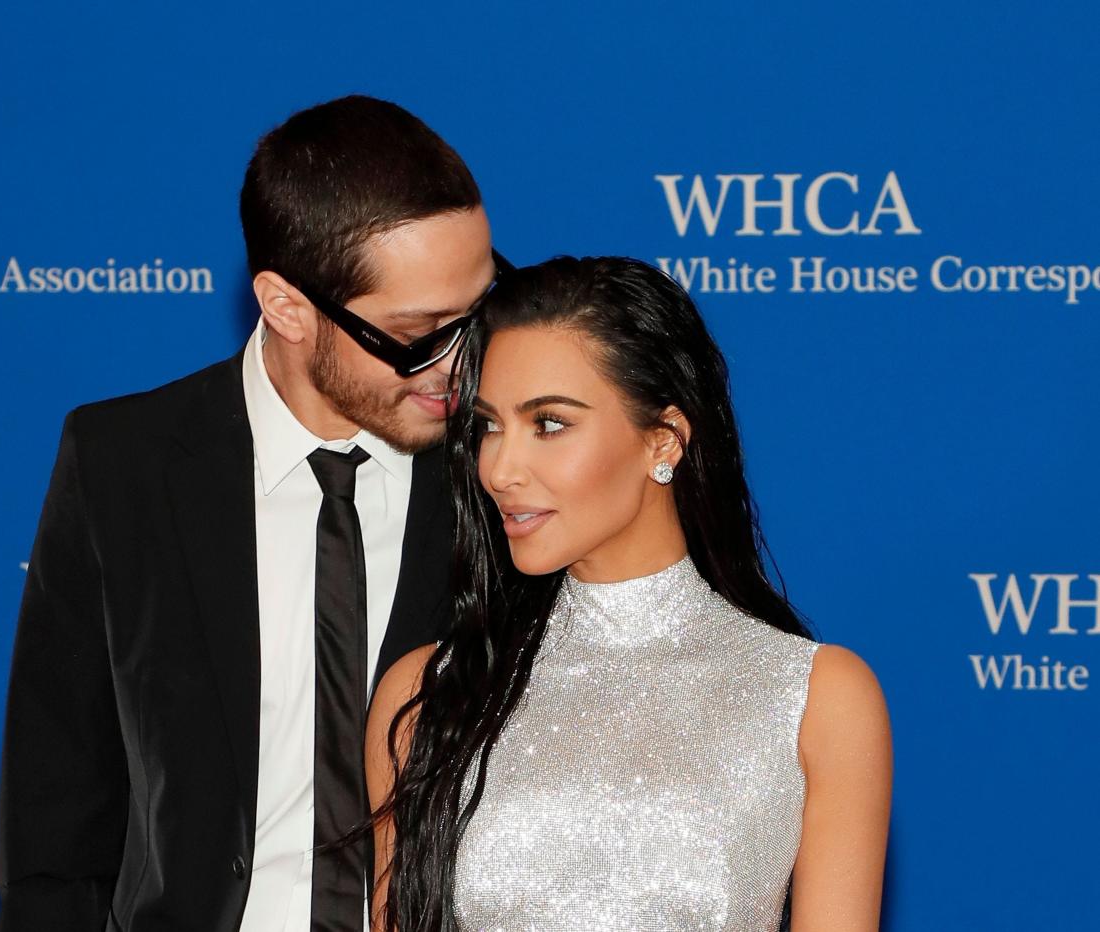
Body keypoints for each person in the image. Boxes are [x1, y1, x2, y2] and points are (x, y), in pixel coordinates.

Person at [0, 95, 503, 932]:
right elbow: (57, 810)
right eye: (417, 332)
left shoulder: (505, 468)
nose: (458, 362)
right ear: (288, 307)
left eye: (475, 313)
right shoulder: (123, 461)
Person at [367, 257, 893, 931]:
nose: (499, 467)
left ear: (664, 440)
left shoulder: (815, 699)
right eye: (488, 425)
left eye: (549, 423)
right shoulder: (428, 695)